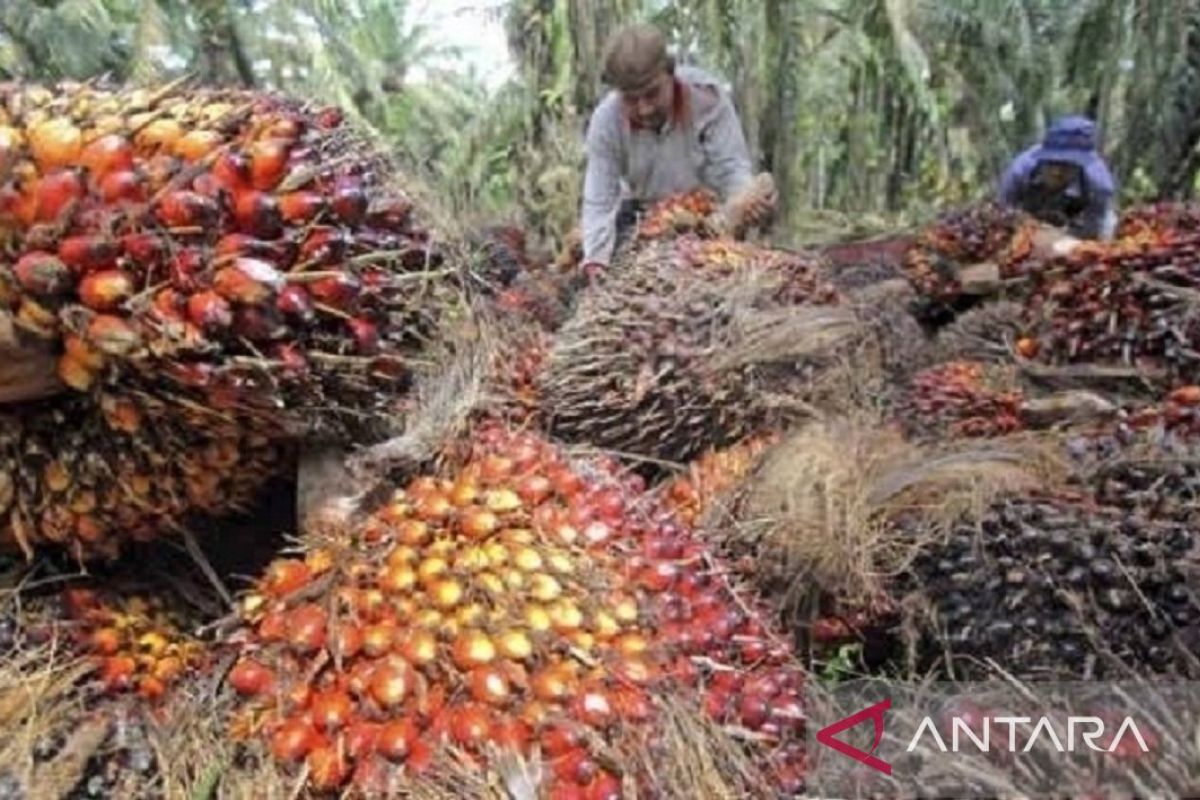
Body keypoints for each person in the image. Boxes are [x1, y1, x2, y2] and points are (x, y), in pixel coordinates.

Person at [579, 24, 776, 278]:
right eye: (631, 99)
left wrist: (746, 206)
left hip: (707, 214)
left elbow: (732, 169)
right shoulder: (606, 122)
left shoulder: (708, 98)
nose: (644, 109)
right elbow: (599, 199)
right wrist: (595, 259)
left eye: (652, 94)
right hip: (644, 221)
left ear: (671, 73)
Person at [998, 115, 1117, 240]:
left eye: (1066, 165)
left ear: (1080, 164)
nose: (1056, 172)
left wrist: (1062, 240)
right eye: (1051, 162)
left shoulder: (1099, 186)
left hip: (1073, 228)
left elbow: (1093, 230)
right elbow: (1002, 215)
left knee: (1108, 231)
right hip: (1027, 224)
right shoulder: (1018, 172)